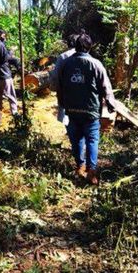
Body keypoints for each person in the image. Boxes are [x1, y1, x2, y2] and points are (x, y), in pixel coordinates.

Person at [58, 33, 115, 185]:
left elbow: (59, 85)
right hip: (91, 111)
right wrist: (110, 104)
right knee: (92, 139)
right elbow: (105, 86)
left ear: (76, 47)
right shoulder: (96, 64)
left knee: (76, 139)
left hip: (72, 110)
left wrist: (62, 103)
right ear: (90, 47)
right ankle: (92, 171)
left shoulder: (66, 63)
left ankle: (79, 166)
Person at [49, 31, 81, 125]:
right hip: (81, 91)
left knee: (65, 115)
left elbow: (56, 75)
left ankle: (69, 131)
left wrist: (50, 74)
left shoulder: (63, 56)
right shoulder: (85, 55)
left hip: (66, 91)